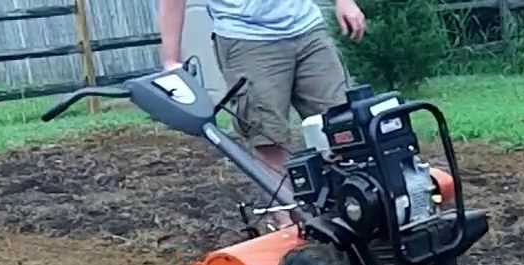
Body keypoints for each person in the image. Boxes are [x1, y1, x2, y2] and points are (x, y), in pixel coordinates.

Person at [156, 0, 367, 225]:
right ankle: (290, 227)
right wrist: (171, 59)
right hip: (248, 39)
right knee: (268, 138)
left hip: (307, 28)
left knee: (344, 126)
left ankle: (356, 214)